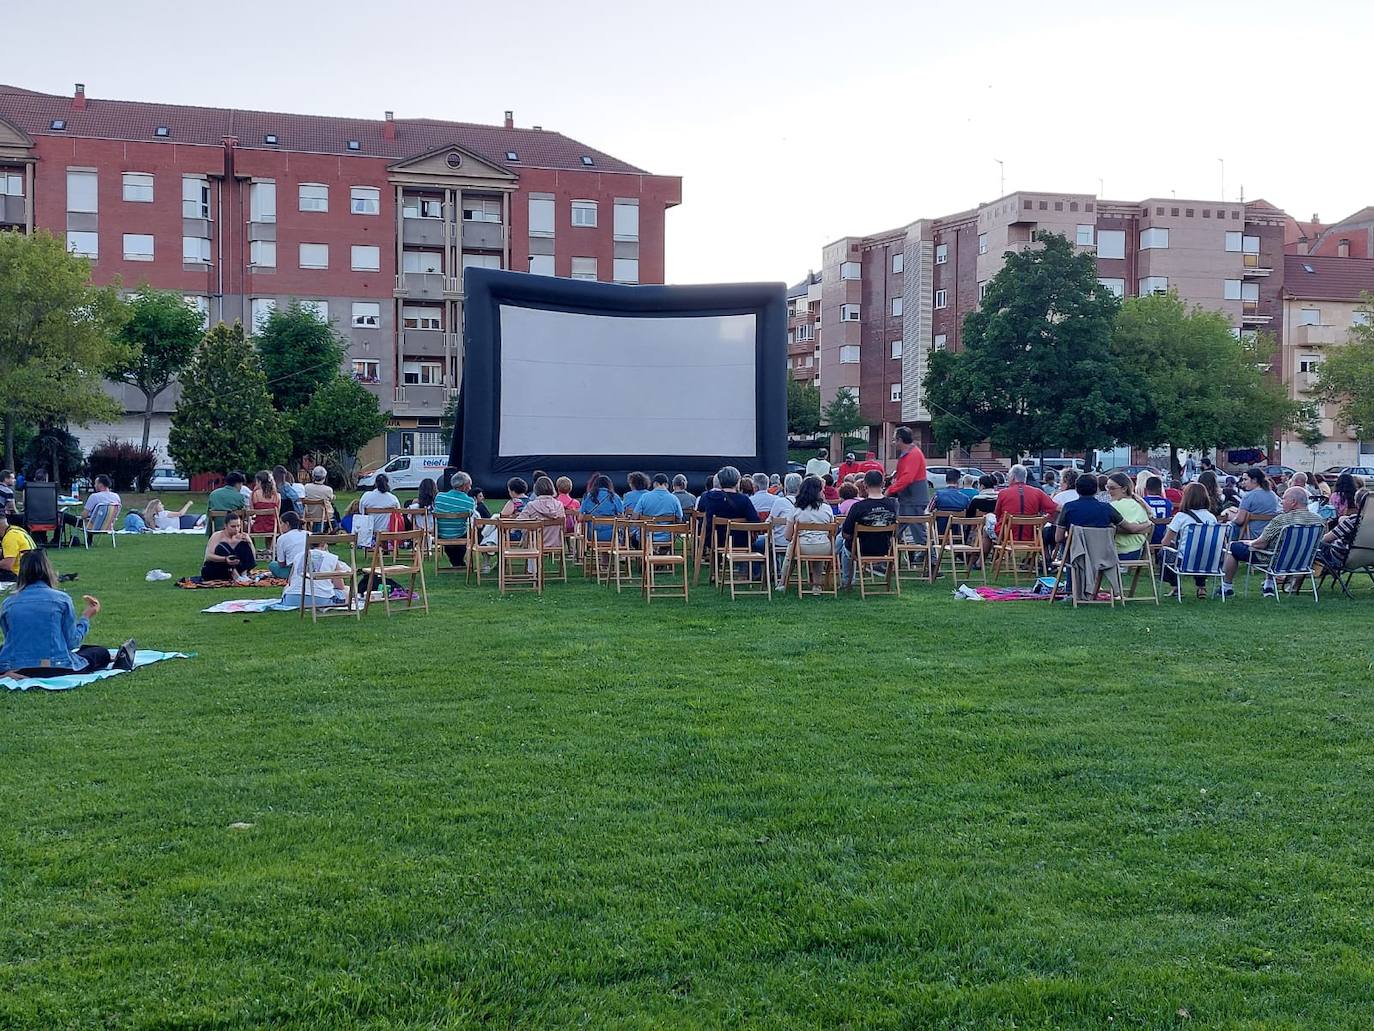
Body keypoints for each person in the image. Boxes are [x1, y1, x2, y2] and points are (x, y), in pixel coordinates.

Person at [0, 551, 134, 677]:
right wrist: (86, 617)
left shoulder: (8, 603)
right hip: (57, 666)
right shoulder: (61, 599)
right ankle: (119, 659)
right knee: (99, 652)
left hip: (17, 667)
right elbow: (72, 642)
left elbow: (11, 640)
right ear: (48, 570)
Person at [1217, 486, 1325, 598]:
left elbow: (1260, 544)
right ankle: (1268, 585)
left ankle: (1226, 588)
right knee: (1274, 547)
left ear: (1293, 502)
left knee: (1232, 547)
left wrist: (1248, 542)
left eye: (1283, 499)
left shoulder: (1282, 520)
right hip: (1303, 562)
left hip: (1273, 560)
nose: (1281, 502)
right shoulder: (1319, 520)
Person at [1158, 482, 1219, 599]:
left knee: (1163, 552)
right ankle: (1201, 587)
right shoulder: (1212, 517)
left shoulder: (1181, 516)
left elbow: (1165, 542)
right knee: (1201, 552)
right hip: (1208, 562)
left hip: (1185, 561)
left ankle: (1176, 587)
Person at [839, 469, 899, 588]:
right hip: (884, 548)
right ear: (882, 484)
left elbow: (846, 533)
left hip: (860, 549)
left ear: (864, 485)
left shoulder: (858, 507)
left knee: (844, 548)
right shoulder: (893, 505)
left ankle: (847, 581)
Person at [782, 475, 834, 591]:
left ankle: (783, 582)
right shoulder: (826, 508)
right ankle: (816, 585)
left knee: (791, 548)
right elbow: (832, 530)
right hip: (825, 547)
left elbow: (787, 536)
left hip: (803, 547)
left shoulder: (796, 509)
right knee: (818, 550)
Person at [698, 465, 760, 553]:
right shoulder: (744, 500)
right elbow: (755, 523)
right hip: (740, 542)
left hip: (715, 540)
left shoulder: (707, 497)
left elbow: (700, 515)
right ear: (738, 481)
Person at [282, 536, 353, 610]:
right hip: (321, 600)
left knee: (287, 587)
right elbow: (340, 586)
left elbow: (290, 582)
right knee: (347, 589)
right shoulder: (332, 558)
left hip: (291, 599)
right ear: (324, 544)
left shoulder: (298, 556)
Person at [434, 471, 485, 568]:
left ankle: (457, 563)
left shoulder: (439, 497)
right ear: (465, 486)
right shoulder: (469, 501)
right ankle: (460, 563)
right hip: (460, 533)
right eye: (469, 485)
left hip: (442, 534)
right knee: (474, 529)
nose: (470, 488)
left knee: (455, 533)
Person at [887, 427, 929, 541]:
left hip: (913, 500)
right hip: (908, 499)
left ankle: (930, 556)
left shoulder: (913, 454)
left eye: (894, 440)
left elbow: (907, 478)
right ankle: (890, 553)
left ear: (900, 440)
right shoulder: (910, 453)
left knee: (918, 531)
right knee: (896, 531)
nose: (893, 443)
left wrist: (890, 490)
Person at [1316, 488, 1369, 574]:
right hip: (1369, 557)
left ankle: (1315, 572)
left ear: (1357, 504)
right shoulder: (1369, 522)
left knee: (1319, 547)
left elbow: (1326, 539)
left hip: (1344, 558)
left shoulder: (1353, 521)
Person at [1103, 473, 1154, 560]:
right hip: (1136, 551)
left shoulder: (1113, 506)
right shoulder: (1141, 505)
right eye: (1107, 488)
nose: (1109, 491)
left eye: (1112, 488)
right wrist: (1148, 524)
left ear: (1124, 489)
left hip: (1114, 553)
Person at [201, 513, 256, 583]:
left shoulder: (241, 537)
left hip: (233, 570)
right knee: (222, 546)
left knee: (244, 544)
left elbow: (253, 558)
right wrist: (225, 559)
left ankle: (243, 574)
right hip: (215, 568)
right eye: (233, 526)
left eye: (238, 526)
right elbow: (208, 557)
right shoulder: (217, 536)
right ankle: (237, 577)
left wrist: (250, 542)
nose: (236, 529)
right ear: (225, 526)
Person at [1227, 468, 1279, 541]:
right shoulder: (1272, 495)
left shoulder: (1249, 496)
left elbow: (1240, 520)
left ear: (1254, 480)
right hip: (1267, 536)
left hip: (1250, 535)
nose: (1243, 482)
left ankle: (1230, 548)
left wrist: (1231, 520)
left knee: (1230, 526)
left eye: (1245, 479)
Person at [356, 472, 401, 549]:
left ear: (375, 484)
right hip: (388, 527)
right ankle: (385, 547)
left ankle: (378, 547)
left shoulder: (366, 496)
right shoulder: (393, 498)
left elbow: (361, 511)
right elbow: (399, 512)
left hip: (371, 527)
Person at [579, 474, 625, 545]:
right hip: (611, 536)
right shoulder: (614, 497)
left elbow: (580, 518)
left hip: (592, 535)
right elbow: (621, 517)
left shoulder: (588, 497)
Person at [269, 510, 308, 579]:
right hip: (311, 568)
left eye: (281, 523)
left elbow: (281, 563)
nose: (280, 526)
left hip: (293, 571)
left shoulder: (282, 538)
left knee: (272, 565)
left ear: (287, 524)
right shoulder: (309, 534)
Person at [0, 510, 36, 583]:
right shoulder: (16, 530)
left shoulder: (9, 537)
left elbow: (7, 565)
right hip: (32, 571)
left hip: (20, 575)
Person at [1141, 475, 1173, 548]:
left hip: (1148, 539)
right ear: (1160, 489)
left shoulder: (1142, 502)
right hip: (1163, 539)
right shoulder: (1168, 503)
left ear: (1146, 489)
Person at [249, 471, 280, 537]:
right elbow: (277, 513)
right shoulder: (277, 496)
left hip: (258, 527)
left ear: (259, 482)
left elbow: (252, 512)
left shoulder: (255, 494)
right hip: (272, 527)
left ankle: (256, 546)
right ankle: (271, 546)